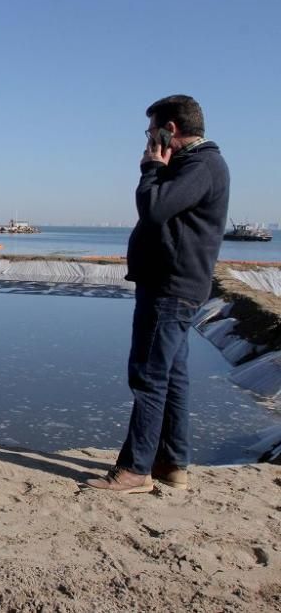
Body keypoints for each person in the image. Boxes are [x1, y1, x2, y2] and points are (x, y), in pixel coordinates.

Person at [87, 95, 230, 493]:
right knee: (173, 375)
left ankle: (135, 469)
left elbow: (152, 209)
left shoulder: (201, 165)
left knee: (148, 375)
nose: (148, 139)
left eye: (152, 131)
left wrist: (150, 168)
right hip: (174, 284)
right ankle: (172, 463)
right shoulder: (196, 165)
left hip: (171, 287)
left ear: (171, 130)